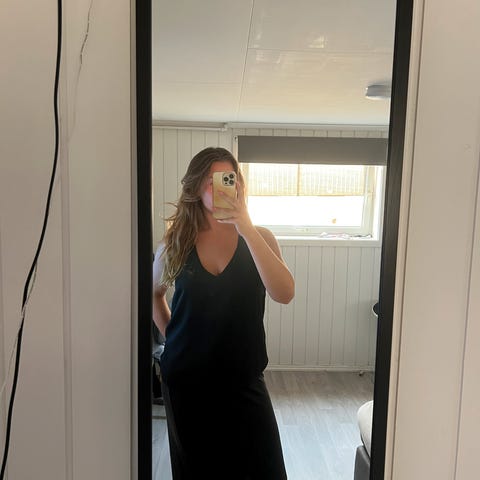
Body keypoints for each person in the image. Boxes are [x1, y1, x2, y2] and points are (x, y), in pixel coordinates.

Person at [153, 147, 294, 479]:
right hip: (187, 383)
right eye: (209, 180)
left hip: (243, 381)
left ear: (238, 185)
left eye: (226, 179)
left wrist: (246, 227)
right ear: (195, 187)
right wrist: (174, 338)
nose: (217, 188)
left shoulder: (260, 238)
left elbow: (284, 293)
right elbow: (153, 294)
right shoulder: (177, 242)